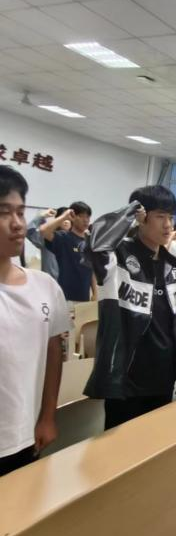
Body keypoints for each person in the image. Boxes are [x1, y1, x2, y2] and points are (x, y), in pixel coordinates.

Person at [82, 186, 176, 430]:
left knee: (155, 443)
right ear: (142, 217)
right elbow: (94, 242)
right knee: (119, 447)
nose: (168, 225)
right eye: (160, 216)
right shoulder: (117, 257)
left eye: (171, 217)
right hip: (125, 380)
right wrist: (129, 213)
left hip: (164, 377)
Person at [0, 167, 70, 476]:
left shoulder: (45, 286)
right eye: (4, 213)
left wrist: (48, 416)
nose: (17, 223)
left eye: (20, 212)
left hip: (23, 436)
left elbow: (54, 354)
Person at [41, 201, 97, 305]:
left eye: (88, 217)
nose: (86, 220)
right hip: (65, 299)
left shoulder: (89, 243)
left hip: (84, 299)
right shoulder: (64, 237)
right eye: (81, 216)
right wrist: (64, 217)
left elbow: (92, 270)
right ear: (73, 217)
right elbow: (43, 231)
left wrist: (95, 293)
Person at [26, 207, 69, 280]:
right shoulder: (48, 237)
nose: (66, 221)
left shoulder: (76, 240)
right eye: (63, 218)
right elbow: (29, 231)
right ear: (57, 219)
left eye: (68, 219)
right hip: (50, 282)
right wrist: (41, 216)